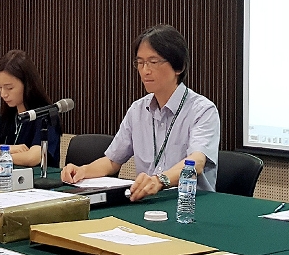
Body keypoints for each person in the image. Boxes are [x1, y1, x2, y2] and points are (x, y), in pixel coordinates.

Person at [61, 25, 220, 202]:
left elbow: (197, 162)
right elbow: (113, 161)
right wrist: (83, 171)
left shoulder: (202, 110)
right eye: (140, 63)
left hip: (191, 204)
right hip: (147, 202)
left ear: (179, 66)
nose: (145, 71)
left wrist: (160, 181)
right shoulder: (138, 109)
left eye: (153, 62)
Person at [0, 50, 61, 167]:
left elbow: (31, 158)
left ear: (27, 85)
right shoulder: (10, 115)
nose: (3, 94)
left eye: (9, 88)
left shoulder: (45, 115)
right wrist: (10, 149)